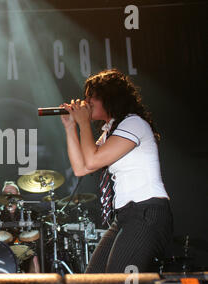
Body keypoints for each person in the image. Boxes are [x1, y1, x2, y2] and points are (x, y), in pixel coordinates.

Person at [60, 69, 173, 273]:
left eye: (91, 96)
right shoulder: (110, 132)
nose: (86, 102)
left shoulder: (134, 123)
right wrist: (70, 128)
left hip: (146, 212)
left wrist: (84, 122)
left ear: (109, 97)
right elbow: (81, 167)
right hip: (125, 216)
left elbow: (93, 160)